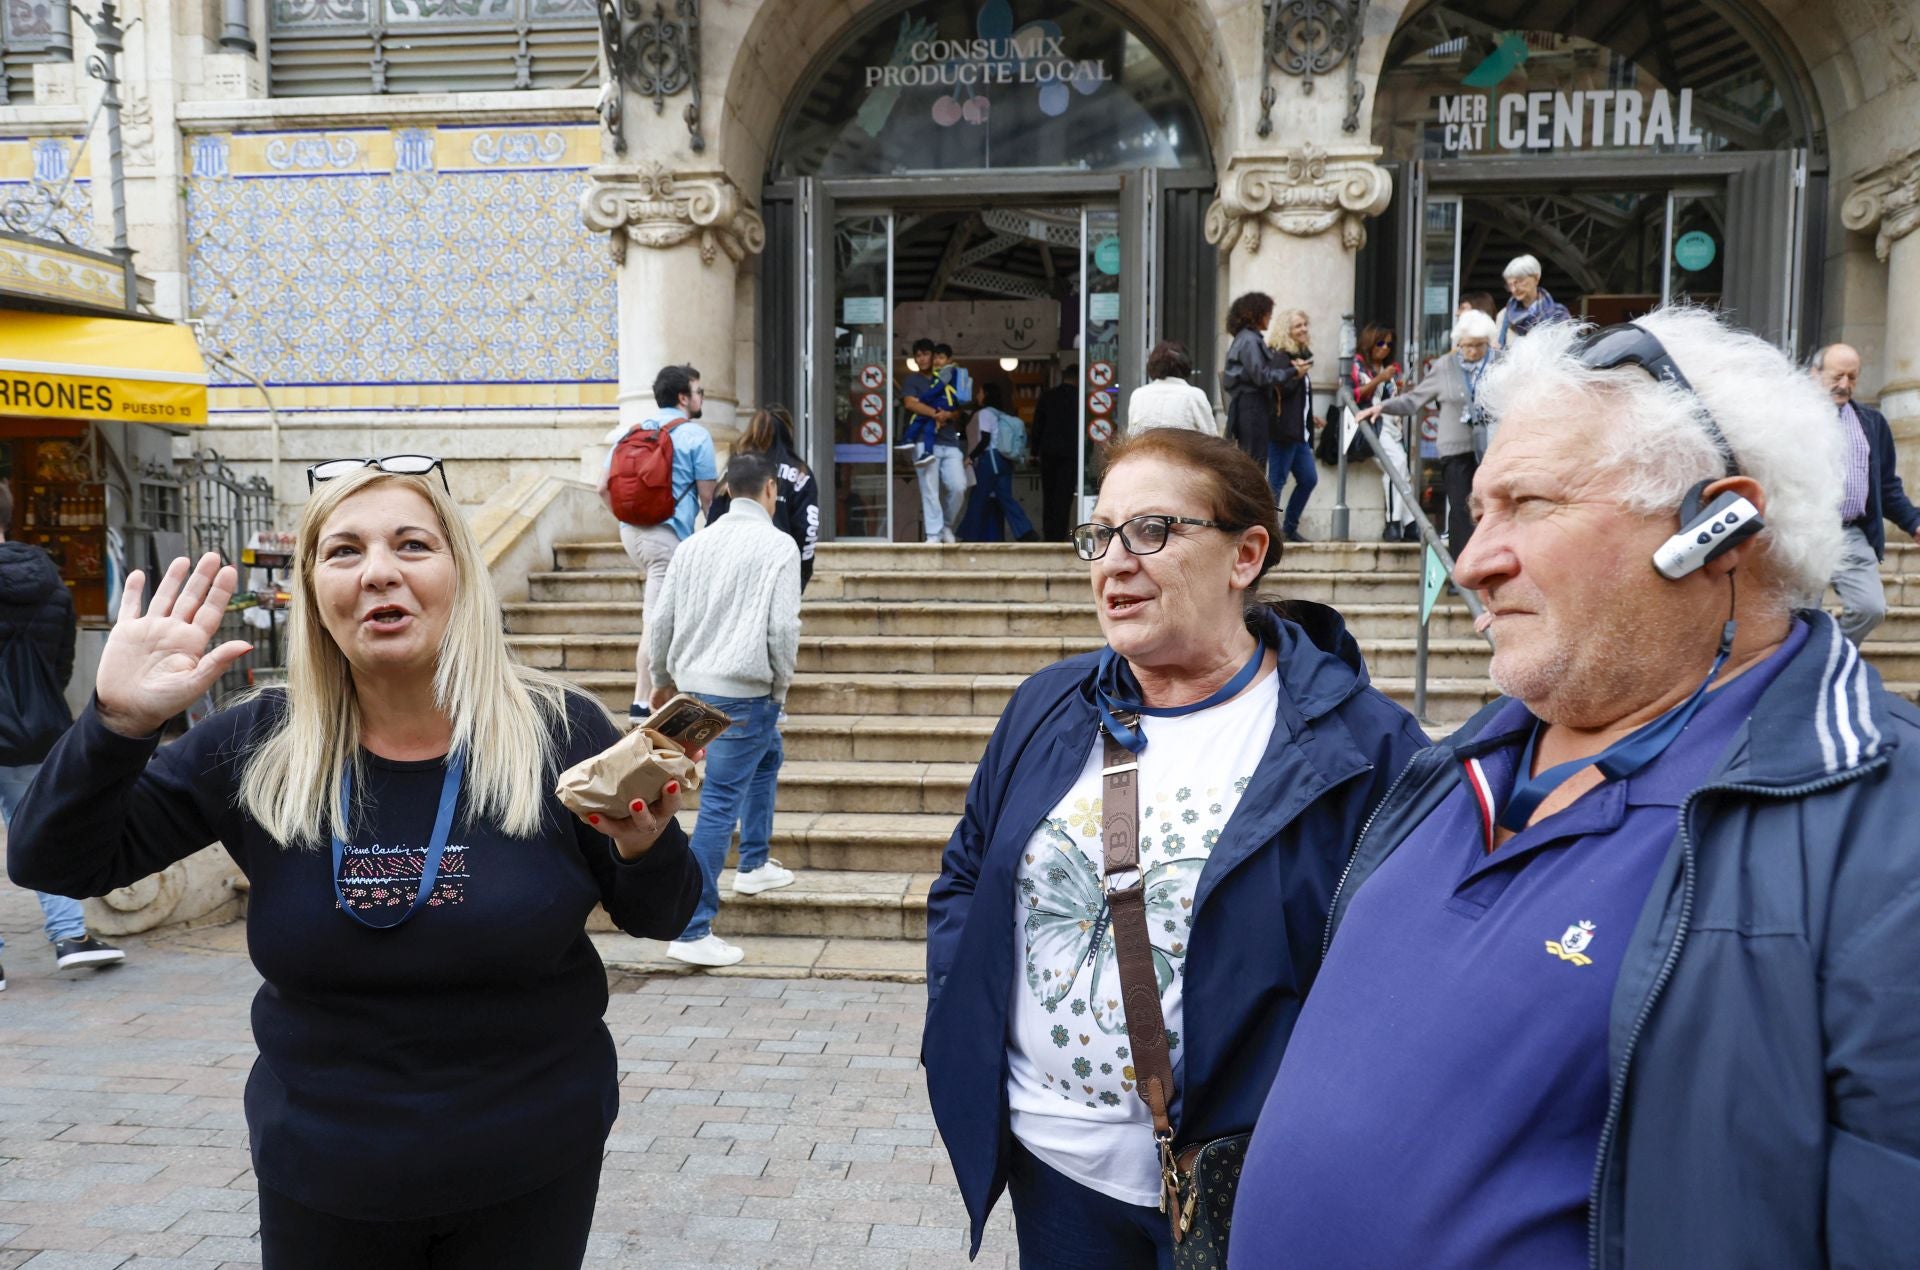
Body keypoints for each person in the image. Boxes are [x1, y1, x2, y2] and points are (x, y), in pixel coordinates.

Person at [1231, 308, 1920, 1270]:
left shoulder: (1884, 831)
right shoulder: (1459, 761)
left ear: (1718, 528)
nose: (1472, 562)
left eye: (1530, 505)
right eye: (1479, 512)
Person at [6, 459, 700, 1269]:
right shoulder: (255, 744)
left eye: (412, 544)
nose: (379, 572)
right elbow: (55, 860)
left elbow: (667, 914)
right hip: (325, 1177)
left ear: (460, 576)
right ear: (313, 591)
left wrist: (645, 844)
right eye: (343, 552)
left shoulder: (556, 731)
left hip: (532, 1164)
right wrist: (115, 723)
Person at [923, 428, 1427, 1266]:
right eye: (1100, 534)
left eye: (1152, 531)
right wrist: (960, 1005)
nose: (1115, 562)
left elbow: (1399, 981)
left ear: (1245, 555)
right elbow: (968, 874)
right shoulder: (1049, 705)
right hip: (1054, 1168)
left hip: (1247, 1182)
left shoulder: (1366, 747)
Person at [646, 452, 803, 968]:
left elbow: (661, 620)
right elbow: (782, 629)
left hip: (694, 688)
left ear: (726, 492)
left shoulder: (694, 545)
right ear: (770, 492)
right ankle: (692, 928)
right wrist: (781, 687)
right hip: (745, 692)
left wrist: (663, 680)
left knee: (766, 758)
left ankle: (754, 861)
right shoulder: (780, 545)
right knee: (718, 805)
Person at [0, 479, 126, 991]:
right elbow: (62, 661)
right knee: (38, 828)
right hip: (34, 729)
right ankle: (71, 937)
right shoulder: (48, 580)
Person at [600, 363, 717, 723]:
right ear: (683, 397)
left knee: (666, 613)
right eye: (698, 391)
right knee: (655, 621)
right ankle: (640, 702)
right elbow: (708, 499)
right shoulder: (696, 436)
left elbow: (603, 488)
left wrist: (632, 518)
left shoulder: (630, 432)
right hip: (667, 539)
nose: (701, 398)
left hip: (632, 533)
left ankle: (666, 691)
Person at [1355, 308, 1497, 559]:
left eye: (1479, 346)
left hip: (1492, 448)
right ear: (1458, 343)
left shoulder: (1497, 363)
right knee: (1462, 508)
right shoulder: (1445, 366)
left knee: (1492, 505)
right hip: (1455, 449)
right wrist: (1382, 407)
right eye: (1467, 346)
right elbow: (1414, 400)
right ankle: (1461, 570)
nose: (1473, 352)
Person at [1811, 342, 1920, 644]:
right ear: (1814, 374)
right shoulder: (1794, 420)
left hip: (1851, 532)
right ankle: (1805, 668)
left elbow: (1886, 485)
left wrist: (1912, 522)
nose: (1844, 385)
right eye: (1837, 376)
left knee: (1870, 608)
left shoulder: (1872, 423)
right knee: (1802, 614)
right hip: (1805, 532)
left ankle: (1833, 655)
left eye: (1852, 377)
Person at [707, 405, 820, 590]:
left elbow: (714, 517)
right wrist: (802, 573)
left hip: (731, 566)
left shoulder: (735, 469)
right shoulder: (800, 474)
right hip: (779, 566)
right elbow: (807, 529)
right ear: (787, 432)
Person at [1349, 323, 1415, 541]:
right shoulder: (1357, 364)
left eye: (1389, 344)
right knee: (1395, 466)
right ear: (1370, 342)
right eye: (1380, 343)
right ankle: (1394, 522)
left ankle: (1408, 523)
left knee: (1402, 467)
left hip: (1392, 425)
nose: (1385, 348)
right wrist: (1380, 379)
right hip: (1372, 425)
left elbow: (1393, 399)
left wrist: (1402, 388)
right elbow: (1355, 394)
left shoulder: (1390, 368)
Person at [1221, 291, 1297, 473]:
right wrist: (1293, 371)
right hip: (1252, 405)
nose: (1270, 318)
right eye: (1268, 313)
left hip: (1249, 404)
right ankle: (1252, 501)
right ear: (1257, 313)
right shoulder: (1249, 340)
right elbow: (1261, 376)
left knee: (1252, 460)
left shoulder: (1245, 339)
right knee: (1255, 462)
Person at [904, 343, 971, 543]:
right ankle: (933, 533)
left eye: (926, 354)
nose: (922, 359)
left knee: (959, 486)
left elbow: (959, 407)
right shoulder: (912, 380)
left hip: (950, 441)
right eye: (918, 355)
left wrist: (949, 414)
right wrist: (936, 414)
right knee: (929, 489)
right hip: (924, 441)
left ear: (935, 357)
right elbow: (910, 403)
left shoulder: (946, 375)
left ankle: (946, 525)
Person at [1266, 309, 1320, 543]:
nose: (1304, 329)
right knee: (1276, 482)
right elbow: (1278, 389)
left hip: (1299, 434)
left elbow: (1301, 399)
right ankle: (1269, 532)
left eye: (1305, 324)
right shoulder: (1280, 357)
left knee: (1308, 479)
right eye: (1298, 325)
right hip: (1282, 433)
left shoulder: (1300, 358)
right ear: (1286, 330)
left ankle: (1289, 527)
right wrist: (1296, 374)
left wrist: (1312, 418)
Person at [960, 386, 1041, 542]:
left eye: (980, 392)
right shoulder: (1002, 414)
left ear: (986, 395)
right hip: (1005, 461)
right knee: (1005, 498)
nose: (978, 395)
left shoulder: (985, 413)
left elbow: (985, 439)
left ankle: (969, 537)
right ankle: (1026, 532)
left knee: (978, 498)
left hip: (990, 460)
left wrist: (971, 457)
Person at [1032, 358, 1082, 541]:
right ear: (1078, 379)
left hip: (1049, 453)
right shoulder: (1081, 398)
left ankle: (1049, 536)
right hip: (1071, 454)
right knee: (1064, 496)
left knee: (1049, 496)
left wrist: (1034, 451)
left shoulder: (1048, 396)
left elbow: (1037, 425)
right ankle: (1060, 535)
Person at [1125, 340, 1216, 435]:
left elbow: (1132, 436)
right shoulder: (1194, 395)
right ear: (1185, 365)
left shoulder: (1138, 395)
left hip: (1145, 449)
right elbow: (1211, 438)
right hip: (1183, 449)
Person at [1496, 254, 1571, 346]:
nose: (1514, 289)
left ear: (1536, 278)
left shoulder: (1558, 313)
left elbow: (1566, 348)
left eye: (1519, 281)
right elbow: (1499, 352)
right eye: (1510, 285)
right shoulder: (1504, 316)